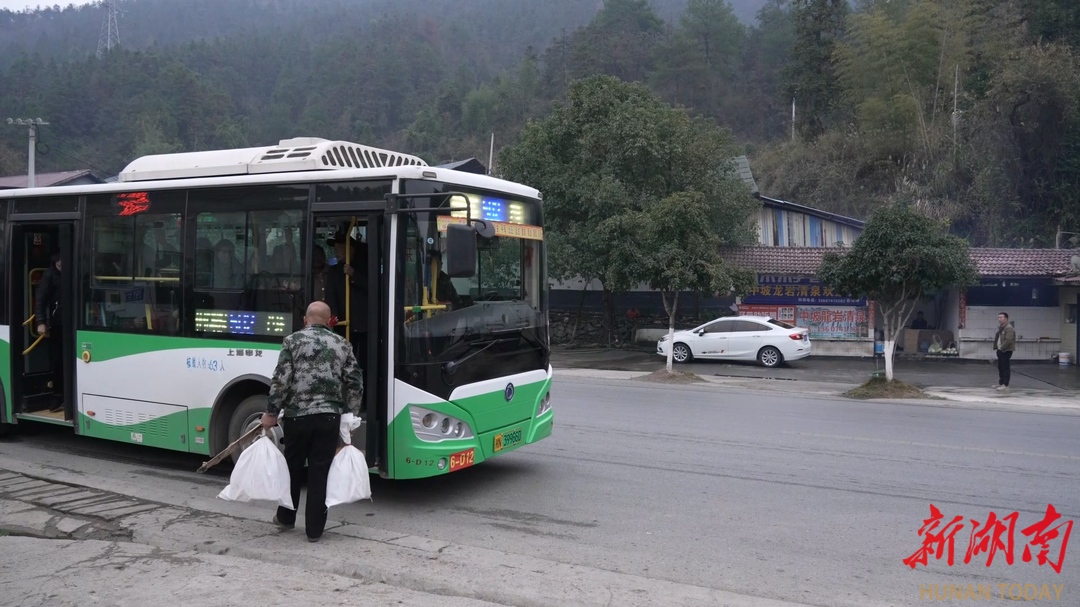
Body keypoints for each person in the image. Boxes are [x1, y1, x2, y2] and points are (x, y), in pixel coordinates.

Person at [261, 301, 364, 542]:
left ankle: (286, 517)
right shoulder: (342, 344)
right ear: (329, 321)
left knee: (292, 467)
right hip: (329, 417)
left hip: (298, 417)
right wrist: (350, 415)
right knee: (320, 471)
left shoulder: (292, 341)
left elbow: (281, 380)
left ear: (306, 319)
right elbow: (355, 382)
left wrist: (271, 412)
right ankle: (314, 531)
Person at [35, 252, 65, 413]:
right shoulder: (50, 275)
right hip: (57, 324)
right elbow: (41, 299)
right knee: (58, 361)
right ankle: (58, 396)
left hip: (74, 324)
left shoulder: (76, 272)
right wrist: (41, 322)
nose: (61, 268)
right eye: (59, 265)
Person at [994, 312, 1016, 392]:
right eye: (998, 317)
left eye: (1001, 317)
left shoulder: (1009, 328)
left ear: (1006, 318)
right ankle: (1001, 383)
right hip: (1000, 350)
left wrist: (1001, 348)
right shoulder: (1002, 328)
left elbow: (1008, 340)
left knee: (1005, 367)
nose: (999, 319)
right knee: (1000, 367)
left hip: (1006, 351)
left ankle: (1005, 385)